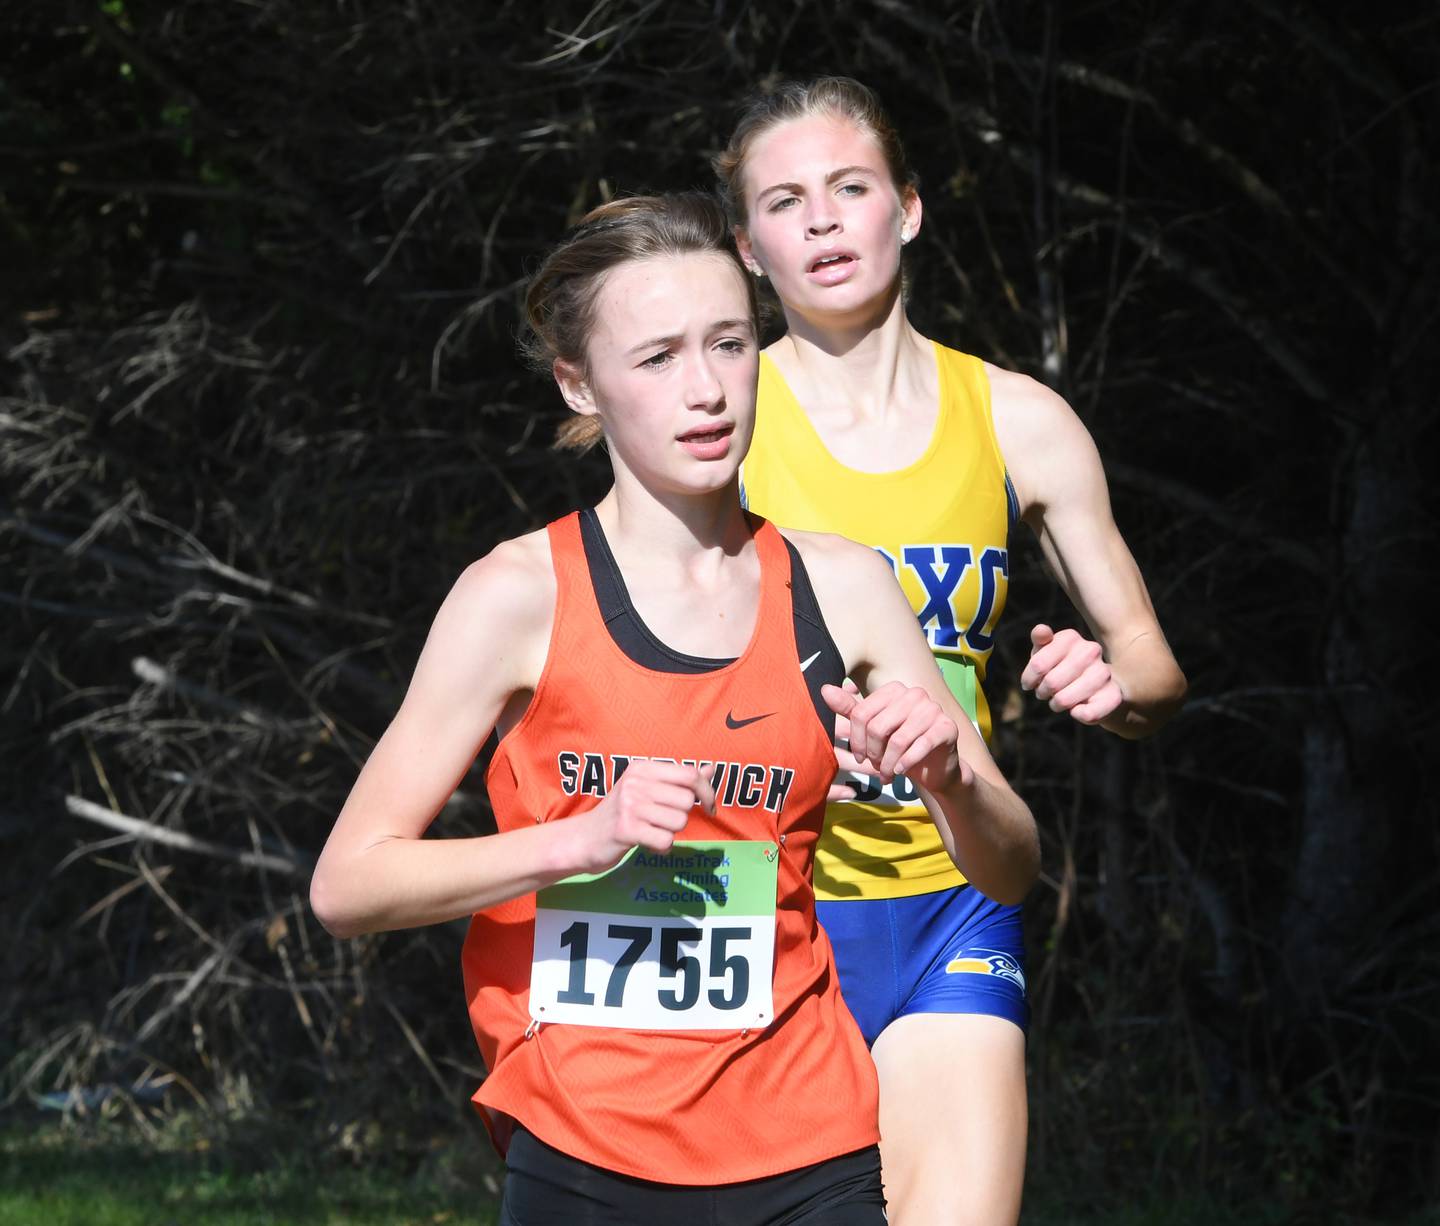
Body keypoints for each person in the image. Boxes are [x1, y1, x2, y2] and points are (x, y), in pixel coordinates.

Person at [309, 192, 1039, 1225]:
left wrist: (953, 781)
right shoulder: (518, 595)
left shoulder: (844, 585)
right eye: (655, 358)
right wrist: (578, 840)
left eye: (731, 343)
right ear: (580, 380)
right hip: (584, 1149)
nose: (705, 389)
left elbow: (1011, 864)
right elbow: (349, 883)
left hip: (810, 1136)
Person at [714, 78, 1188, 1225]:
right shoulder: (711, 423)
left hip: (951, 890)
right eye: (785, 200)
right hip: (761, 902)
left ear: (909, 208)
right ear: (747, 245)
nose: (822, 220)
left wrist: (1113, 685)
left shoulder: (1018, 419)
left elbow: (1155, 669)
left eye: (850, 187)